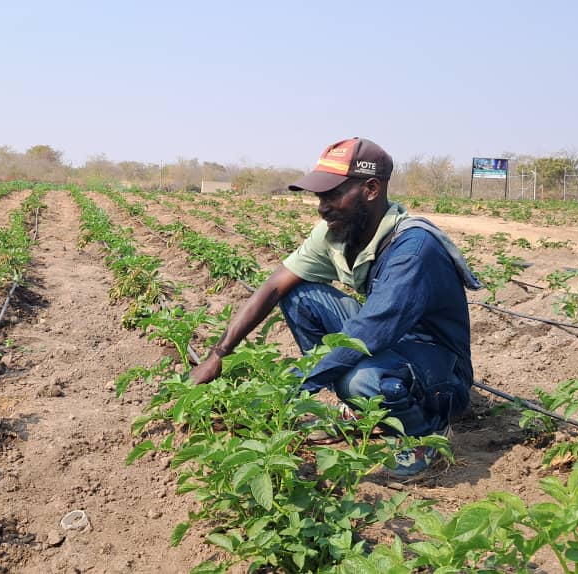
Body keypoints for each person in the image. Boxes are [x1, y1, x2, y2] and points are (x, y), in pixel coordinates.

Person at [188, 137, 481, 476]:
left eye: (332, 195)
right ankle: (364, 408)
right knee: (300, 297)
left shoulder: (414, 250)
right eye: (319, 196)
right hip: (393, 343)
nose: (322, 207)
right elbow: (272, 287)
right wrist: (218, 355)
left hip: (440, 373)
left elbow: (368, 332)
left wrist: (289, 389)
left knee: (357, 378)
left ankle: (424, 433)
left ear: (371, 189)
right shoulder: (338, 233)